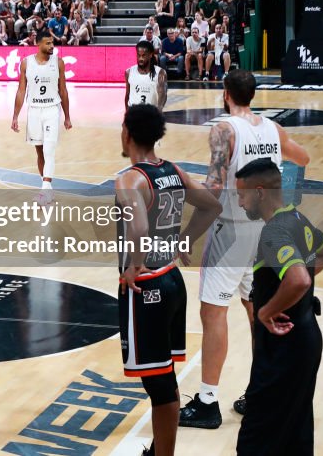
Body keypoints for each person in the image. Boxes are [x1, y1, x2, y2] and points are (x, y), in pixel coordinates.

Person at [179, 69, 310, 428]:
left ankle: (207, 403)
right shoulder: (272, 128)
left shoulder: (224, 129)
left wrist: (188, 233)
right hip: (266, 234)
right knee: (257, 313)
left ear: (225, 93)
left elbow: (215, 190)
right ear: (253, 94)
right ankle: (261, 393)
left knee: (214, 313)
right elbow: (304, 158)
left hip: (232, 234)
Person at [116, 105, 222, 456]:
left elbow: (140, 227)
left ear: (127, 134)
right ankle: (161, 450)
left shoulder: (130, 178)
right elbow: (211, 206)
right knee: (166, 380)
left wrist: (134, 265)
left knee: (159, 388)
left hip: (147, 288)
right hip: (173, 281)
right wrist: (185, 239)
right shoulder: (173, 171)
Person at [234, 159, 323, 456]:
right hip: (306, 337)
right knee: (295, 433)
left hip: (284, 347)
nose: (240, 203)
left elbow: (299, 279)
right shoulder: (298, 219)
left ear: (260, 192)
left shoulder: (274, 233)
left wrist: (265, 312)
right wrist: (287, 294)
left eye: (242, 195)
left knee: (255, 439)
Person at [11, 31, 72, 203]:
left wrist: (67, 116)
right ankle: (47, 188)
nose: (52, 46)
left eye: (53, 43)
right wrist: (15, 116)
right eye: (48, 43)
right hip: (34, 109)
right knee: (39, 151)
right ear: (38, 44)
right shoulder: (26, 63)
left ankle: (45, 189)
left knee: (49, 149)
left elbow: (63, 90)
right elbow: (21, 90)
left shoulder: (58, 63)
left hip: (52, 108)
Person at [125, 40, 167, 110]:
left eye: (143, 55)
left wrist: (159, 112)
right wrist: (126, 115)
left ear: (150, 55)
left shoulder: (160, 73)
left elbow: (163, 94)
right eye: (139, 55)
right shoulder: (129, 72)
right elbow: (127, 95)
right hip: (133, 113)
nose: (140, 58)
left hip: (151, 113)